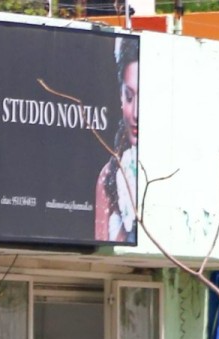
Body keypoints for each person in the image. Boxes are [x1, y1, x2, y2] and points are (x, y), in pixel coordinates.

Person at [94, 39, 140, 244]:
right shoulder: (109, 176)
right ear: (120, 96)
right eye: (129, 97)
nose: (136, 113)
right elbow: (101, 249)